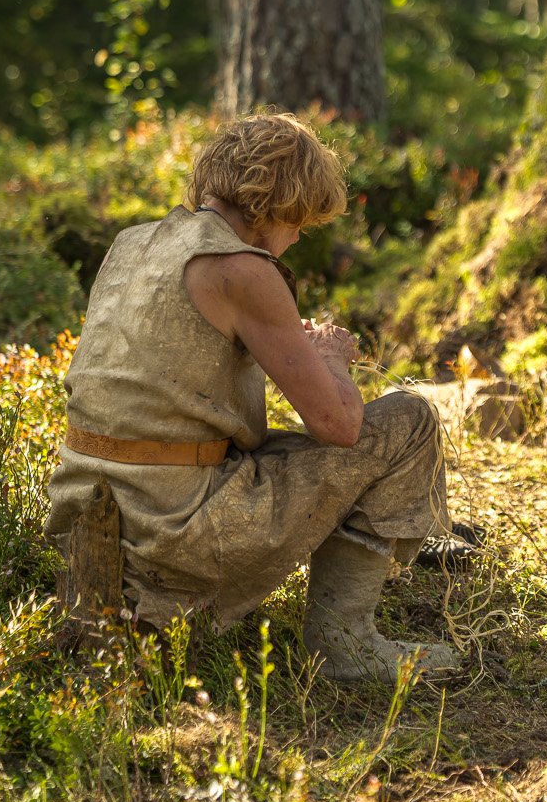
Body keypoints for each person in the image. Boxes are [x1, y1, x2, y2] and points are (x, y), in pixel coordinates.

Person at [45, 113, 460, 682]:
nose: (296, 239)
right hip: (171, 529)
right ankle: (346, 646)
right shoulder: (240, 268)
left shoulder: (132, 243)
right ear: (281, 203)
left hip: (82, 511)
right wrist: (332, 357)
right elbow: (338, 426)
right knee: (409, 420)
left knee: (283, 449)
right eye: (301, 224)